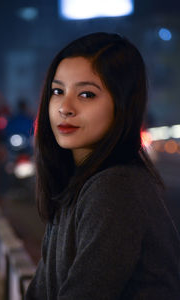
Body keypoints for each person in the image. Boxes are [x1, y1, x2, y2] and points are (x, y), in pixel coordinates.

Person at [25, 32, 180, 299]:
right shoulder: (76, 183)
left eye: (86, 94)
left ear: (122, 105)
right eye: (58, 91)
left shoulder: (116, 187)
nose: (65, 107)